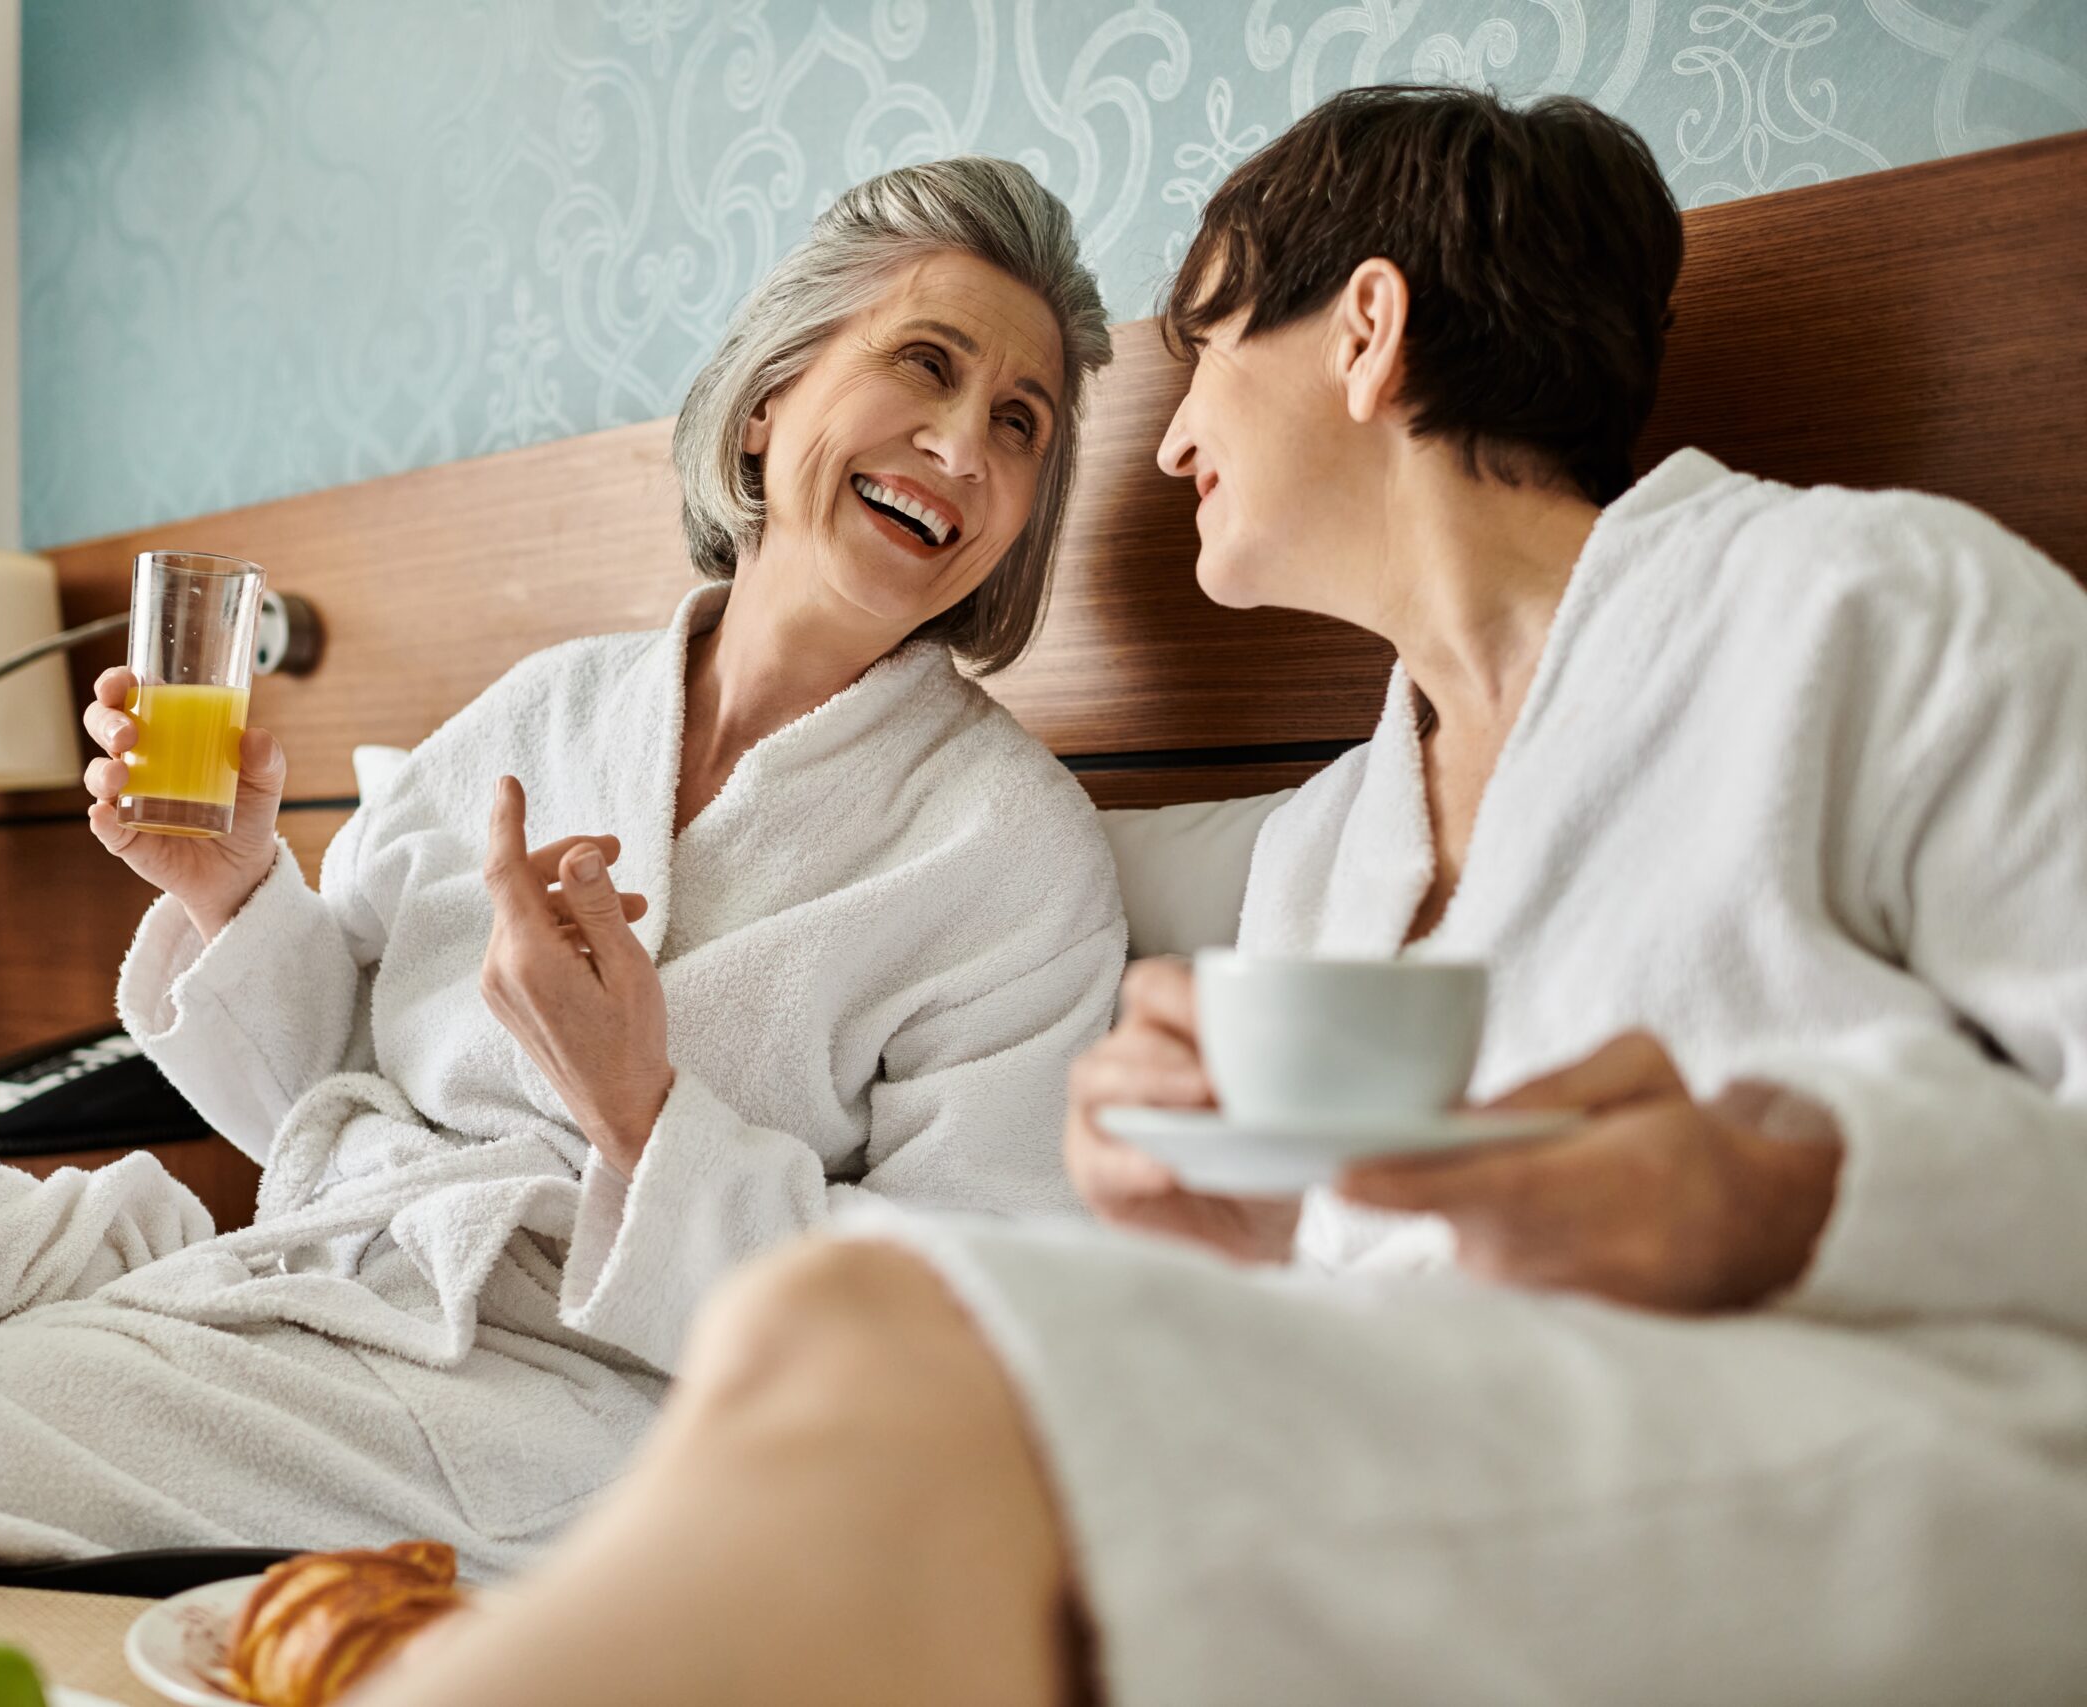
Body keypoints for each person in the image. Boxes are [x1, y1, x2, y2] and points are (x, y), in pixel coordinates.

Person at [353, 88, 2087, 1707]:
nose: (1170, 440)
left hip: (1902, 1447)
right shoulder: (1339, 854)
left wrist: (1783, 1192)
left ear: (1365, 330)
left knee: (890, 1346)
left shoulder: (1865, 608)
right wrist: (1227, 1233)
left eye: (1203, 352)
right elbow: (1352, 1287)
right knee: (848, 1343)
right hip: (1446, 1469)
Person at [0, 156, 1128, 1600]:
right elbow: (317, 1090)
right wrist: (234, 891)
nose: (961, 445)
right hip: (296, 1260)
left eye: (1021, 424)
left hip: (533, 1402)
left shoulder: (1008, 854)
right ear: (769, 402)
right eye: (926, 363)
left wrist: (640, 1108)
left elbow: (957, 1342)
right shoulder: (550, 708)